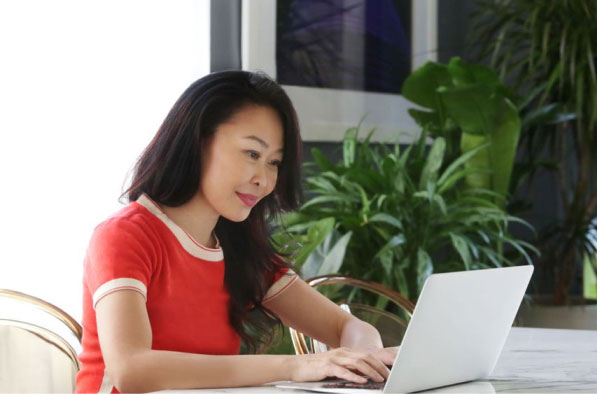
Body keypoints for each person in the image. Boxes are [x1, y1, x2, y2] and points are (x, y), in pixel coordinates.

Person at [75, 71, 396, 393]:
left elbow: (347, 325)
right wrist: (296, 365)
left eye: (274, 162)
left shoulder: (239, 248)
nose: (264, 181)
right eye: (253, 154)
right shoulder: (124, 236)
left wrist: (365, 360)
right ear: (197, 141)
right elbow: (132, 371)